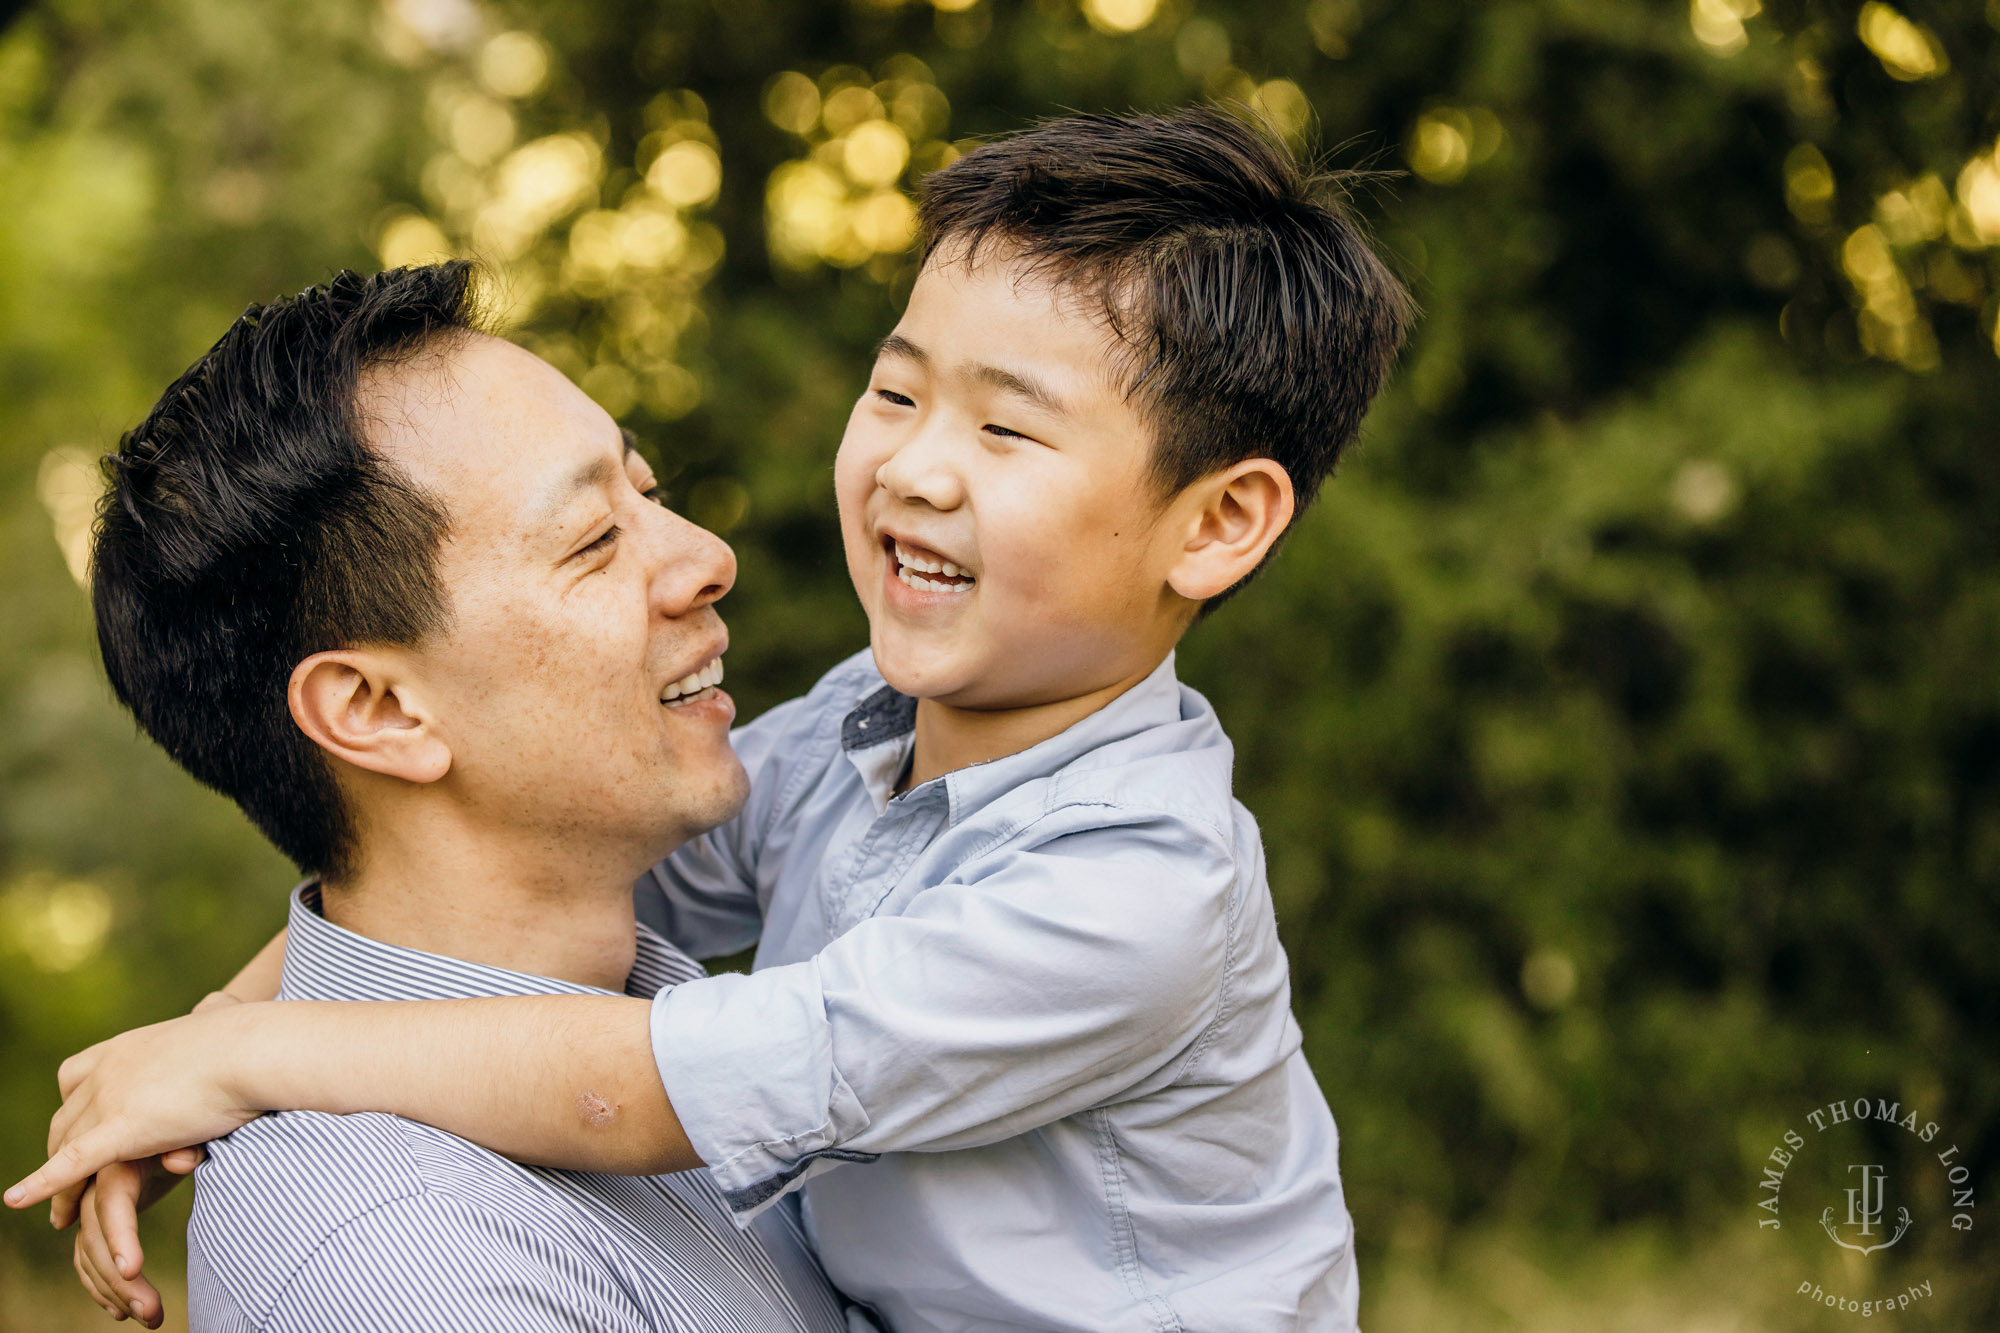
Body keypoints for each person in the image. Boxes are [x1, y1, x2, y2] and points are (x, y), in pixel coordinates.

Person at [14, 108, 1411, 1331]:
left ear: (1220, 522)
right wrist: (193, 1049)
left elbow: (649, 1083)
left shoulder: (1135, 887)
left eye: (1007, 431)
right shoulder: (860, 734)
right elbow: (444, 903)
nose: (915, 464)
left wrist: (245, 1056)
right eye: (899, 389)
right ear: (373, 708)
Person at [27, 262, 851, 1332]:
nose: (705, 556)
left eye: (644, 494)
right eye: (594, 540)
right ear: (378, 709)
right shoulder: (407, 1260)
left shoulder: (624, 982)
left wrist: (225, 1036)